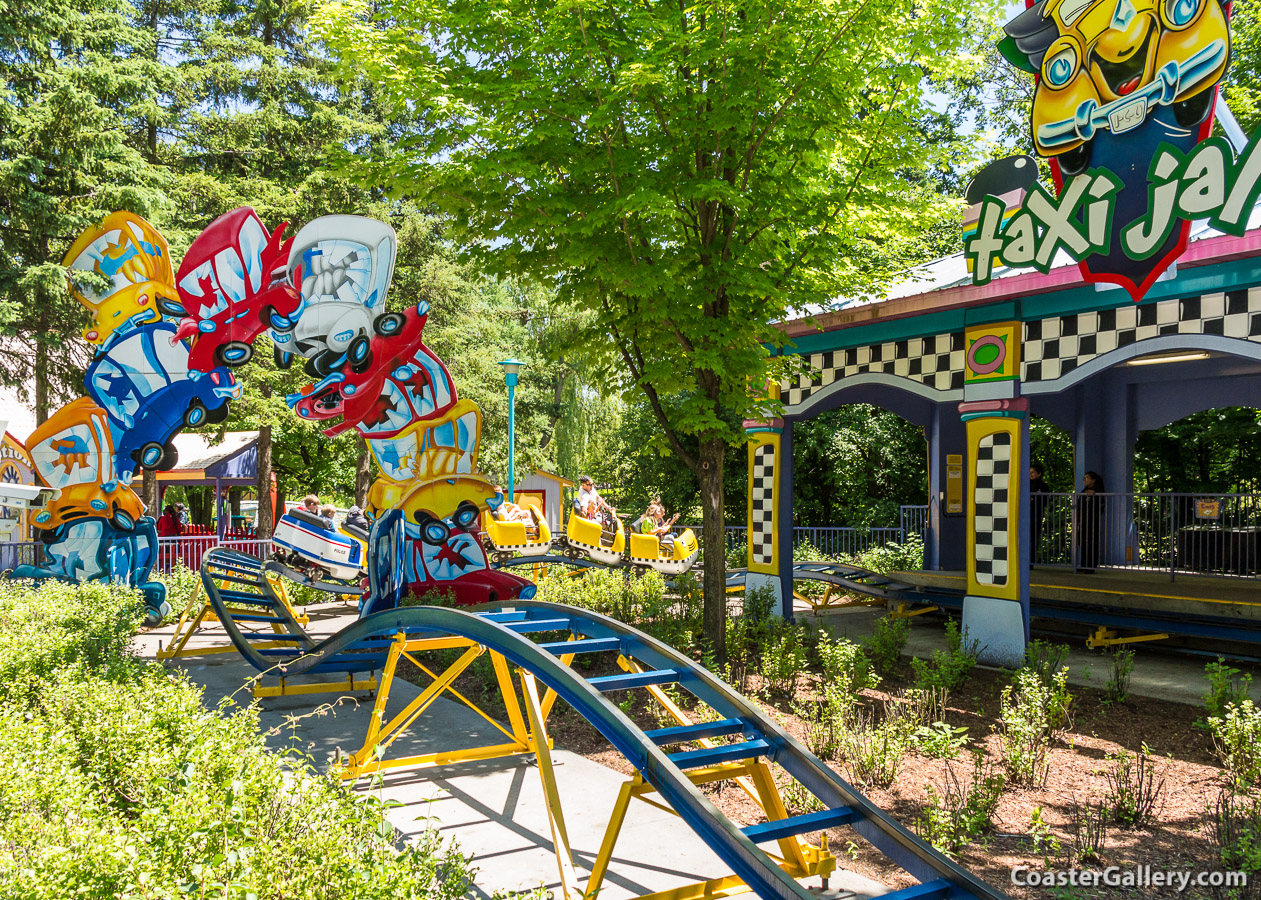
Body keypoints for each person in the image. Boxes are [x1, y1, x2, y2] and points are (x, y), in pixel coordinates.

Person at [1076, 470, 1105, 573]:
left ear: (1094, 480)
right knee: (1082, 541)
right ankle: (1084, 564)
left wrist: (1095, 494)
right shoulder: (1084, 490)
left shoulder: (1098, 491)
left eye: (1087, 478)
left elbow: (1100, 505)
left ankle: (1091, 565)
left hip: (1092, 520)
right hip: (1082, 520)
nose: (1084, 480)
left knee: (1092, 543)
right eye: (1084, 478)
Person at [1029, 462, 1050, 565]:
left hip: (1036, 515)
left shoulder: (1043, 486)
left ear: (1039, 474)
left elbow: (1045, 500)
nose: (1030, 474)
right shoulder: (1024, 483)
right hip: (1024, 516)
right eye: (1029, 472)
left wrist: (1033, 499)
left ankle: (1031, 562)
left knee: (1033, 538)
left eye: (1033, 472)